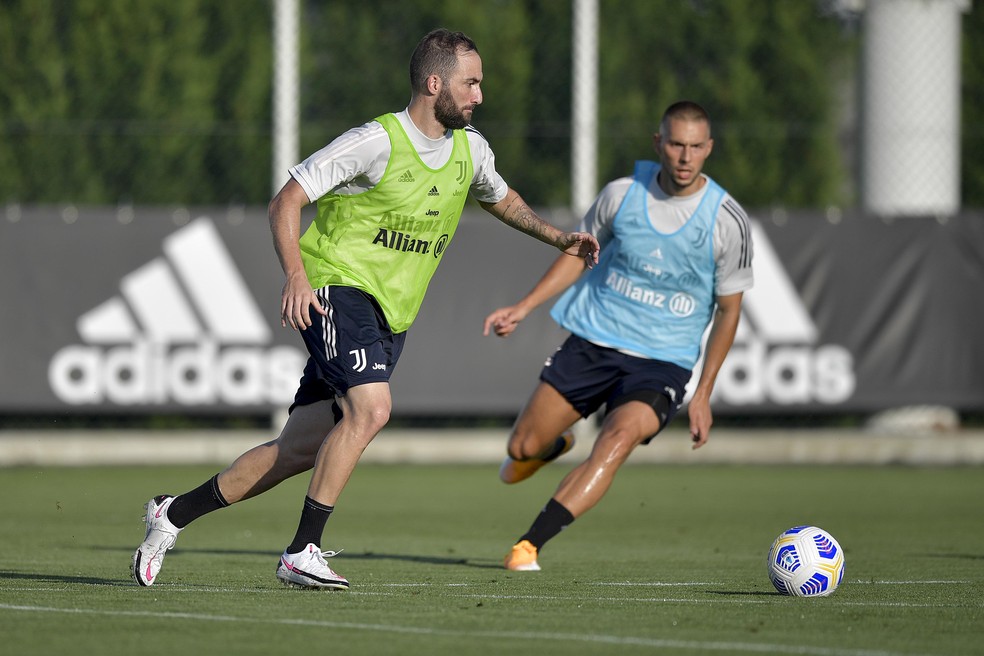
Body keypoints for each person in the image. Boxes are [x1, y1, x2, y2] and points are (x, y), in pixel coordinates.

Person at [131, 28, 599, 590]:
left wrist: (558, 238)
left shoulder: (470, 149)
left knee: (298, 451)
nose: (479, 95)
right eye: (470, 83)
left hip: (389, 316)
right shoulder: (374, 140)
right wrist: (297, 277)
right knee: (372, 409)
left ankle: (172, 514)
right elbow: (288, 198)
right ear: (434, 83)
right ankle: (302, 550)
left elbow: (500, 196)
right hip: (336, 286)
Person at [483, 100, 753, 572]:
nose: (684, 157)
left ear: (709, 148)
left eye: (695, 147)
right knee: (520, 451)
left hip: (662, 362)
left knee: (616, 439)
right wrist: (524, 307)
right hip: (594, 342)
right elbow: (576, 253)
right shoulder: (622, 194)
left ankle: (529, 545)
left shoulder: (728, 221)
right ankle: (557, 444)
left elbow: (729, 311)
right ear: (658, 143)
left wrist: (704, 392)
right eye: (675, 144)